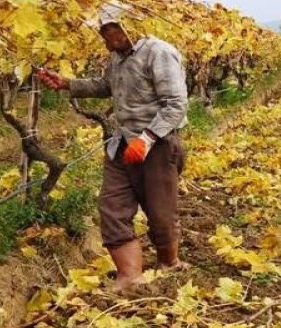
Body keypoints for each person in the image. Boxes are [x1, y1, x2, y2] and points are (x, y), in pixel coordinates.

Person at [35, 16, 188, 291]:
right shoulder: (118, 57)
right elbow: (108, 86)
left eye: (110, 31)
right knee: (112, 207)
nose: (104, 38)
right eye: (102, 32)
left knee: (160, 213)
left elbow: (176, 104)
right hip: (122, 143)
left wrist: (147, 138)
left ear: (128, 26)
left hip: (159, 144)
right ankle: (130, 275)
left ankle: (169, 263)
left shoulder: (158, 52)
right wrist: (67, 84)